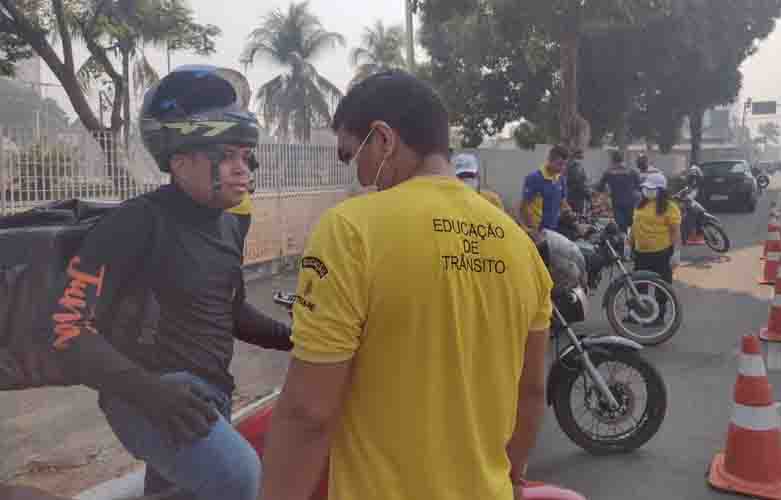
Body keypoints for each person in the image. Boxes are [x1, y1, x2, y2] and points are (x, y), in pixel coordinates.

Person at [258, 70, 570, 500]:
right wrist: (510, 478)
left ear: (383, 139)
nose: (359, 176)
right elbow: (532, 390)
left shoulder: (351, 230)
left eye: (351, 156)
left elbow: (308, 412)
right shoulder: (519, 244)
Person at [44, 66, 294, 500]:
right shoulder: (136, 222)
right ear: (180, 161)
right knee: (239, 477)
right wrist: (154, 394)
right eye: (228, 157)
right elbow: (67, 330)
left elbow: (229, 310)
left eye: (245, 156)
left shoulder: (230, 226)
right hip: (143, 394)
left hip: (209, 394)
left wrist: (299, 338)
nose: (244, 170)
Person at [627, 172, 682, 326]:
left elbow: (676, 231)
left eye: (652, 188)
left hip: (661, 253)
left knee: (662, 287)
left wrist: (677, 252)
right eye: (646, 188)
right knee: (638, 285)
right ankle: (637, 314)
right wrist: (628, 243)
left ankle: (659, 317)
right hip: (641, 253)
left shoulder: (670, 207)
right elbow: (634, 225)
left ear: (661, 190)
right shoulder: (641, 204)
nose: (647, 191)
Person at [519, 145, 570, 235]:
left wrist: (569, 211)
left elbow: (562, 202)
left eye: (565, 164)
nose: (563, 168)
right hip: (537, 231)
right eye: (560, 164)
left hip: (553, 230)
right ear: (550, 160)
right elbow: (524, 206)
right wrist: (530, 228)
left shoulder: (561, 178)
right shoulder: (534, 178)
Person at [597, 150, 642, 234]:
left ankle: (624, 244)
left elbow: (599, 187)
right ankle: (634, 244)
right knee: (633, 226)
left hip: (617, 204)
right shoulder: (632, 171)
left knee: (622, 228)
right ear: (623, 160)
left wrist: (606, 193)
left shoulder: (608, 172)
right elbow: (639, 187)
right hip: (631, 203)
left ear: (613, 160)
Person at [565, 148, 589, 214]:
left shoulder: (568, 164)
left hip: (569, 196)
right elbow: (580, 182)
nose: (583, 156)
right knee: (576, 217)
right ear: (578, 155)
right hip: (577, 198)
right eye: (582, 155)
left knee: (569, 217)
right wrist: (588, 194)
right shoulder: (576, 166)